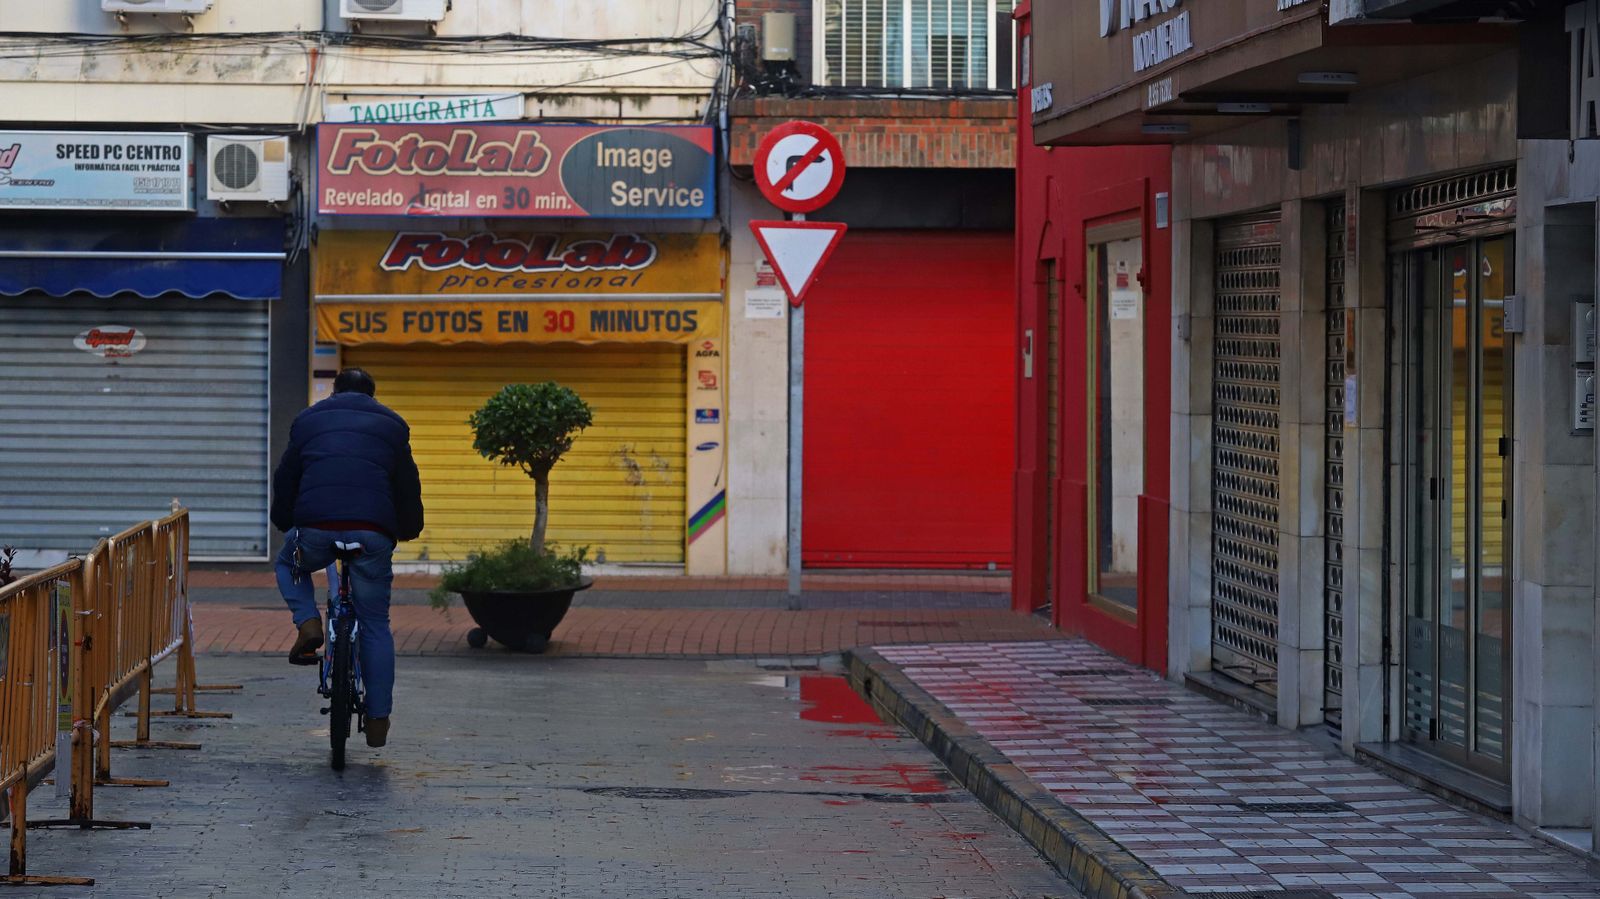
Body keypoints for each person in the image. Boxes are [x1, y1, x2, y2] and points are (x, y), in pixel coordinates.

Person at [270, 367, 424, 748]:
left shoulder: (308, 420)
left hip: (316, 529)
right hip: (371, 534)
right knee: (374, 623)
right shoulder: (393, 425)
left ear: (335, 391)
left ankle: (308, 623)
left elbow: (287, 475)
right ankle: (378, 720)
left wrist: (284, 519)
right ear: (373, 394)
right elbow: (406, 483)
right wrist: (407, 528)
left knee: (289, 561)